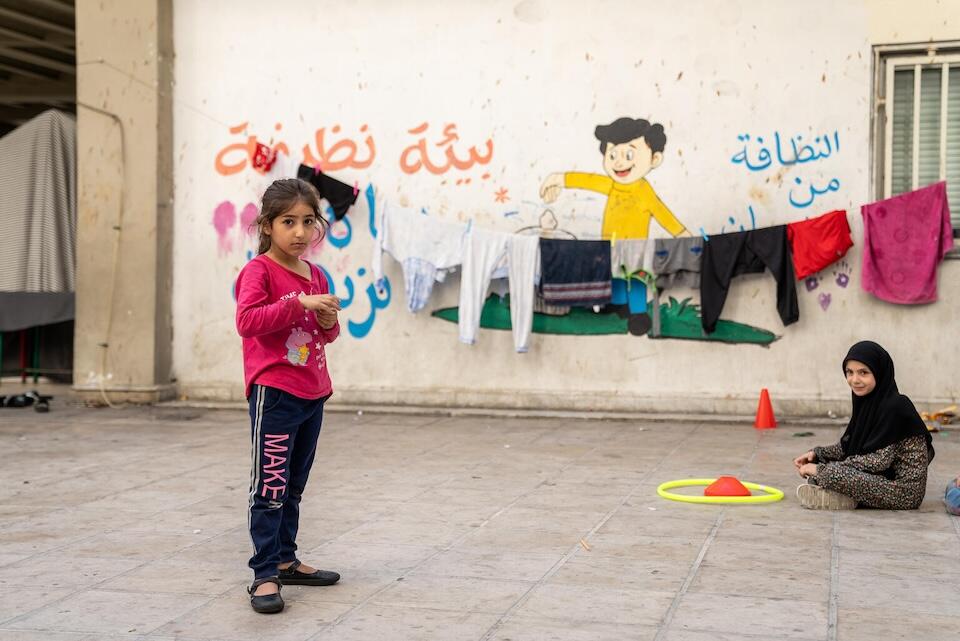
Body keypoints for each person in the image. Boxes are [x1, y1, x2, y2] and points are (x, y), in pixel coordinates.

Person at [235, 178, 343, 613]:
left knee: (293, 486)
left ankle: (285, 559)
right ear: (267, 225)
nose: (299, 232)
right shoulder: (259, 271)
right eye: (287, 221)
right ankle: (263, 574)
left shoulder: (315, 273)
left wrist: (328, 317)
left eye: (307, 221)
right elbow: (248, 321)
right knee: (270, 486)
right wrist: (300, 304)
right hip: (275, 393)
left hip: (312, 392)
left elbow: (327, 335)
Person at [793, 340, 934, 510]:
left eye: (863, 372)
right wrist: (817, 454)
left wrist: (823, 469)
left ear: (879, 372)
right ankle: (843, 495)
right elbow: (848, 446)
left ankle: (840, 492)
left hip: (901, 492)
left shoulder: (896, 406)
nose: (854, 380)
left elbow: (878, 461)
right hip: (879, 479)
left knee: (828, 474)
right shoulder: (867, 401)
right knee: (828, 474)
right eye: (849, 372)